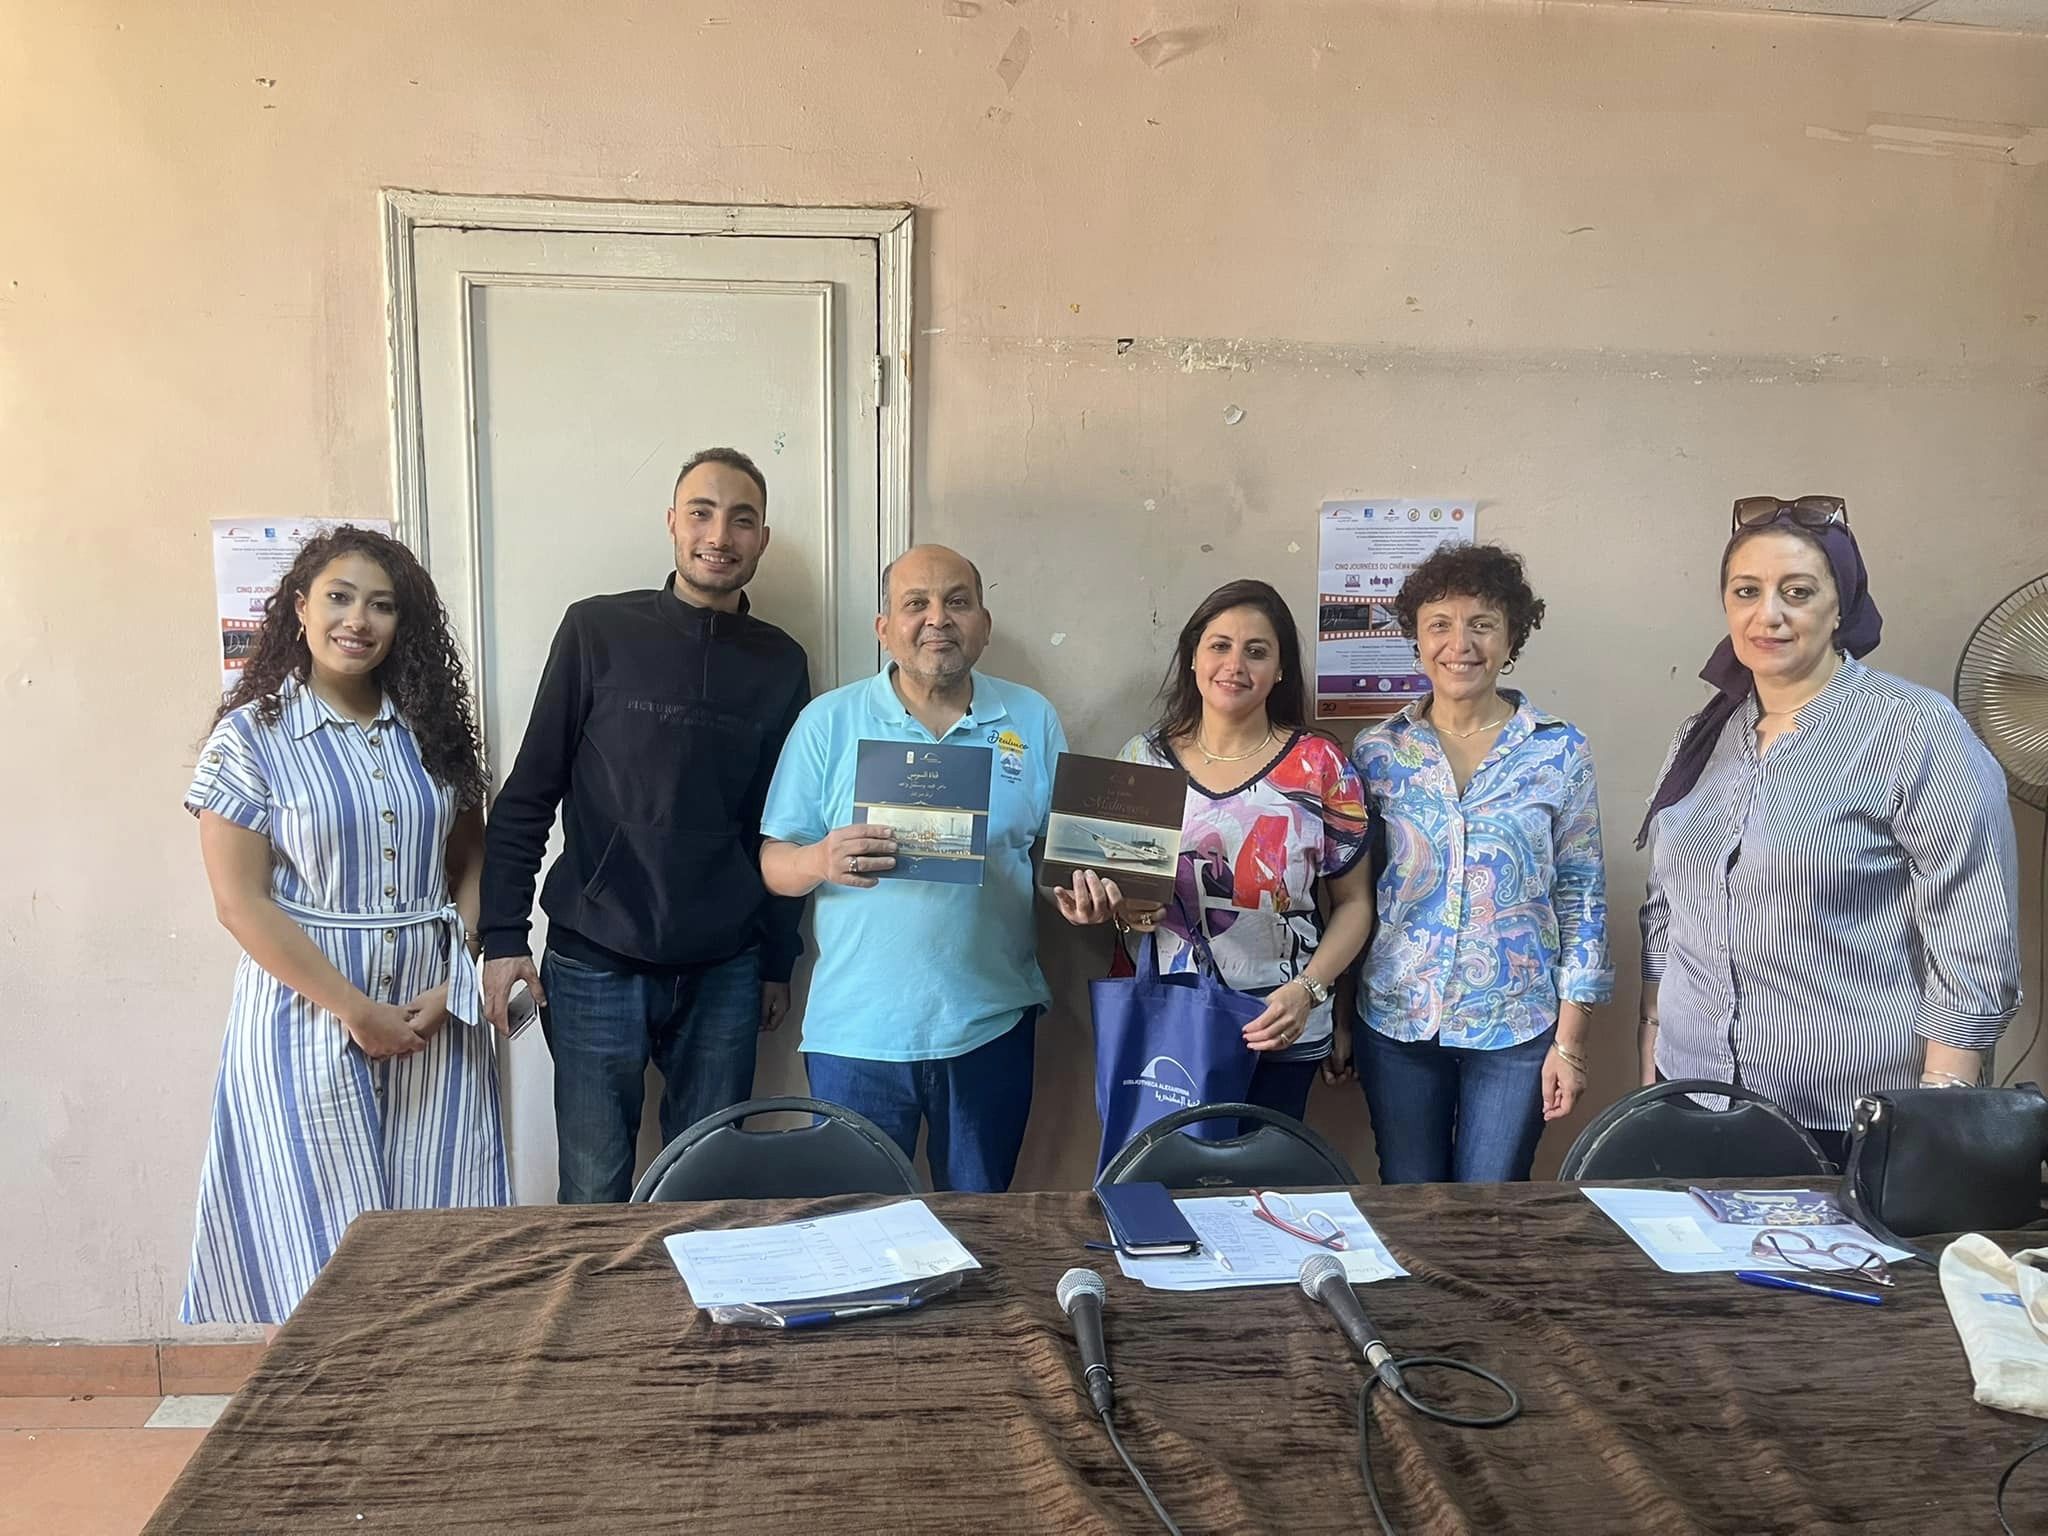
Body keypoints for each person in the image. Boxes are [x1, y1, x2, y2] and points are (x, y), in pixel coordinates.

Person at [182, 526, 506, 1325]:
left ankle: (423, 1399)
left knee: (440, 1242)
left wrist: (456, 979)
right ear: (300, 609)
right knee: (320, 1255)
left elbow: (474, 862)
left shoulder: (432, 733)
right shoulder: (251, 738)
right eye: (339, 597)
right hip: (308, 1020)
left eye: (381, 605)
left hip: (435, 1020)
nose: (357, 619)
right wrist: (355, 1009)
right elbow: (239, 901)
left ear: (402, 625)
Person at [1638, 496, 2020, 1164]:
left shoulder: (1916, 732)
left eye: (1798, 592)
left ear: (1841, 606)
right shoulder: (1701, 736)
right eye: (1747, 591)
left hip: (1853, 1116)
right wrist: (1654, 1054)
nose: (1769, 615)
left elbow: (1974, 936)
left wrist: (1936, 1116)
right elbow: (1667, 908)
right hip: (1695, 1094)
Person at [478, 448, 809, 1203]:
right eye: (701, 513)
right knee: (594, 1191)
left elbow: (780, 826)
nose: (719, 535)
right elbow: (529, 794)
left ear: (761, 538)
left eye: (742, 520)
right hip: (594, 958)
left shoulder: (781, 663)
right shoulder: (596, 630)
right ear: (671, 522)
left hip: (725, 967)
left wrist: (775, 960)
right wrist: (502, 938)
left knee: (706, 1189)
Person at [758, 544, 1065, 1192]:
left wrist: (1080, 894)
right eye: (915, 603)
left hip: (989, 1026)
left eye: (957, 602)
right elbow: (774, 864)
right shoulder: (828, 722)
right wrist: (819, 858)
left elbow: (1051, 857)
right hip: (856, 1034)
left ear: (984, 623)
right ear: (884, 628)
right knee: (856, 1233)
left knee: (981, 1227)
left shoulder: (1032, 719)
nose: (938, 619)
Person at [1056, 579, 1376, 1124]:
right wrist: (1115, 910)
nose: (1235, 665)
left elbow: (1354, 904)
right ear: (1193, 658)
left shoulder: (1320, 765)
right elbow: (1129, 904)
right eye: (1219, 646)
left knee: (1264, 1175)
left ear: (1280, 669)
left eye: (1257, 651)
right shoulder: (1143, 761)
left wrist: (1308, 991)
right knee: (1166, 1173)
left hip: (1279, 1024)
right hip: (1170, 1022)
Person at [1350, 544, 1611, 1183]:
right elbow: (1352, 894)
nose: (1459, 644)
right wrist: (1338, 1016)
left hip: (1517, 1023)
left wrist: (1571, 1041)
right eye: (1439, 624)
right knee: (1409, 1199)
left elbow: (1582, 895)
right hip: (1397, 1015)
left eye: (1482, 624)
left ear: (1511, 636)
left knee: (1491, 1208)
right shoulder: (1379, 751)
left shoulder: (1558, 750)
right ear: (1416, 638)